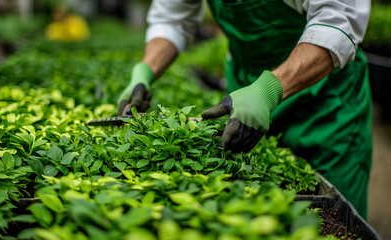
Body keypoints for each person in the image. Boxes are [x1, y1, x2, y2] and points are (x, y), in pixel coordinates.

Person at [117, 0, 372, 219]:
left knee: (330, 215)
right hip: (245, 96)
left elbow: (340, 19)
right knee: (256, 203)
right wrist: (144, 72)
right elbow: (173, 20)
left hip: (327, 102)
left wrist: (268, 90)